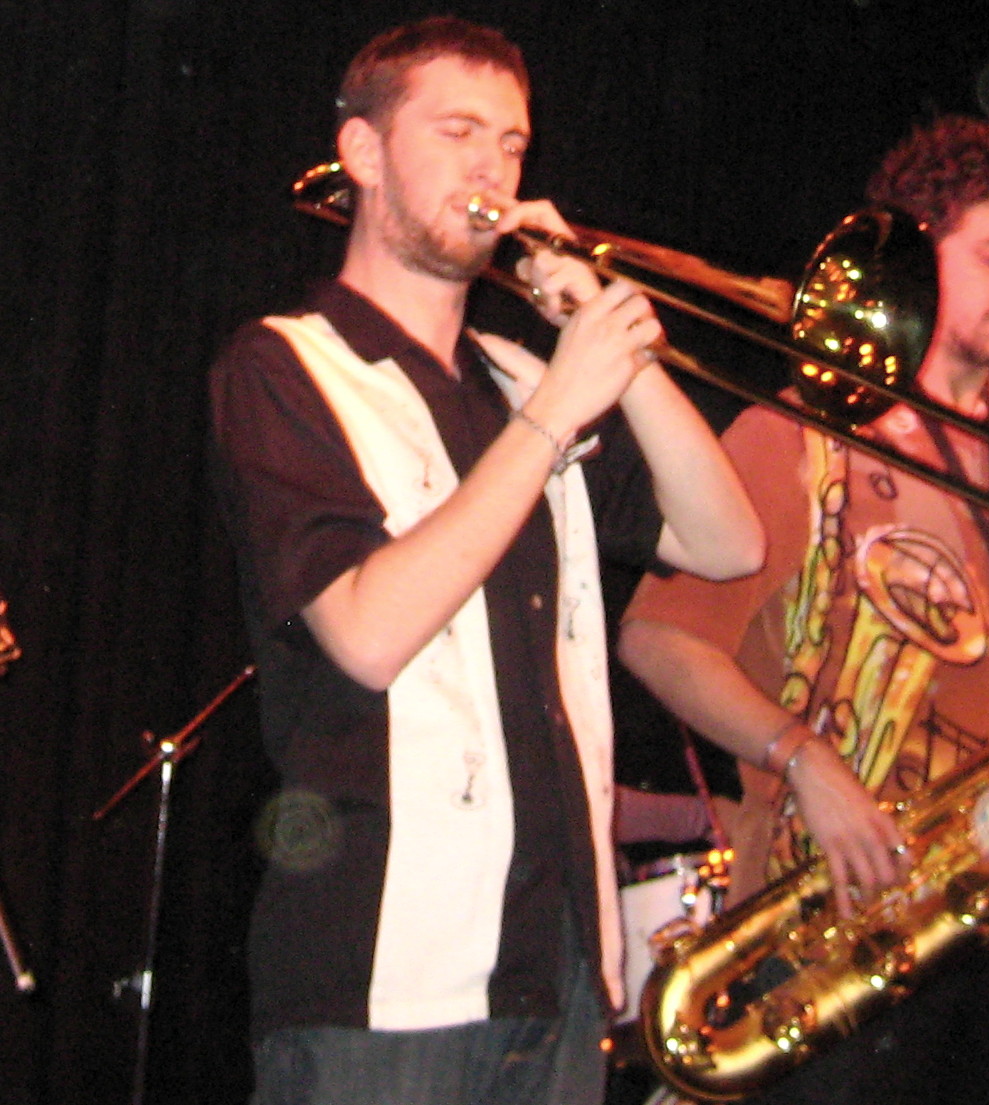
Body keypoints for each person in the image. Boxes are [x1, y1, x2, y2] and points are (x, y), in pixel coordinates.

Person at [208, 16, 763, 1105]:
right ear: (364, 154)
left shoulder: (514, 377)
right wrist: (559, 408)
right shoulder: (288, 363)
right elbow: (367, 633)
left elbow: (726, 540)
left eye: (510, 144)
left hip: (553, 965)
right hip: (379, 974)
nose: (493, 172)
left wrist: (609, 338)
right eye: (458, 132)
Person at [618, 115, 989, 1104]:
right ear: (915, 261)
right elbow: (660, 636)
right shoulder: (794, 430)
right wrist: (805, 757)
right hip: (836, 921)